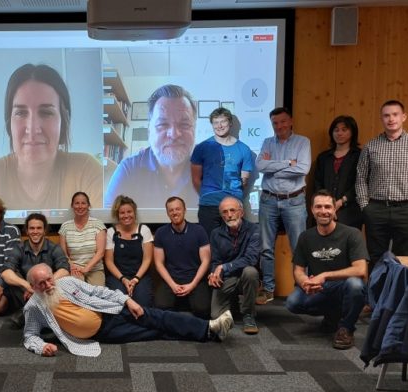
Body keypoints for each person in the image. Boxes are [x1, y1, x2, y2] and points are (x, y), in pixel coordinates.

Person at [22, 263, 234, 357]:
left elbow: (99, 292)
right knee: (155, 332)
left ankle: (210, 326)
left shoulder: (67, 282)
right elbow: (30, 335)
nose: (48, 286)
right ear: (32, 286)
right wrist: (41, 348)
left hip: (112, 310)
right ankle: (209, 333)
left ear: (53, 275)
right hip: (103, 333)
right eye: (40, 284)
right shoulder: (33, 307)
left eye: (48, 279)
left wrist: (126, 301)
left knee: (158, 316)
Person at [0, 63, 103, 209]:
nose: (33, 128)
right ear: (9, 121)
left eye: (46, 113)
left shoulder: (86, 170)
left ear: (64, 121)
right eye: (21, 113)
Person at [356, 100, 408, 267]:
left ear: (403, 117)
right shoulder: (370, 147)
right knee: (376, 257)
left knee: (404, 258)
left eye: (395, 114)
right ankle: (377, 293)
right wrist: (365, 206)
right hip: (376, 210)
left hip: (407, 210)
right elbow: (361, 178)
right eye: (386, 115)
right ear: (381, 119)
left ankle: (400, 294)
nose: (391, 119)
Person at [285, 190, 367, 350]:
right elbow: (298, 270)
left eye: (328, 207)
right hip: (319, 289)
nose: (323, 211)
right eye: (319, 207)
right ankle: (333, 316)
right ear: (312, 210)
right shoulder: (305, 237)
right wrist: (305, 282)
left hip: (344, 287)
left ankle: (346, 329)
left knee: (356, 285)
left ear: (334, 210)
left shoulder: (351, 234)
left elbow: (361, 270)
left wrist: (324, 275)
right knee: (292, 302)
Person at [105, 84, 198, 208]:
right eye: (163, 124)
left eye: (185, 124)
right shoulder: (128, 171)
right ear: (149, 132)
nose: (174, 134)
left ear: (194, 130)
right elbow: (109, 223)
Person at [256, 107, 311, 305]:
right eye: (275, 123)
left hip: (294, 200)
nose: (279, 126)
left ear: (291, 121)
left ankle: (301, 288)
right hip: (268, 200)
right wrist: (288, 163)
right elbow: (260, 166)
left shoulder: (302, 142)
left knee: (298, 247)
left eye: (282, 122)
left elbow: (303, 168)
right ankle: (268, 289)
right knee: (265, 247)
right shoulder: (267, 142)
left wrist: (274, 167)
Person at [191, 107, 254, 235]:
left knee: (234, 245)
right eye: (215, 122)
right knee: (209, 245)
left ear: (230, 123)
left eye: (223, 121)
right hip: (209, 205)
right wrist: (208, 194)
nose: (219, 126)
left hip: (234, 206)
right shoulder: (202, 148)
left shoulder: (244, 149)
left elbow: (244, 181)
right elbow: (196, 179)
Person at [0, 213, 70, 326]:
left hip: (46, 291)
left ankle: (27, 313)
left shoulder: (54, 248)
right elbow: (5, 272)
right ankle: (38, 314)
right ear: (27, 231)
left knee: (60, 282)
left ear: (44, 230)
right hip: (26, 291)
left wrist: (43, 284)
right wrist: (28, 286)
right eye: (32, 228)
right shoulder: (19, 248)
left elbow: (65, 269)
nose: (35, 231)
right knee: (13, 276)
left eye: (39, 228)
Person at [207, 196, 261, 334]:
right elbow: (216, 261)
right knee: (215, 316)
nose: (229, 215)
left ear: (241, 212)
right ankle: (233, 304)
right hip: (227, 278)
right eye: (224, 212)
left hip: (245, 276)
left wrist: (224, 267)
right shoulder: (216, 234)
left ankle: (249, 314)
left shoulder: (254, 229)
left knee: (251, 272)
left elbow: (251, 259)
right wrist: (214, 274)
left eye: (232, 210)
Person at [153, 196, 211, 319]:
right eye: (171, 210)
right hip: (171, 279)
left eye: (178, 209)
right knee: (160, 307)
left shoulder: (199, 231)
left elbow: (206, 261)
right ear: (167, 213)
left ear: (184, 210)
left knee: (202, 310)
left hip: (195, 278)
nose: (175, 213)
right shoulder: (160, 233)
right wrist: (173, 285)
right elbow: (158, 263)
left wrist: (193, 284)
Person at [104, 195, 154, 307]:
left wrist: (135, 279)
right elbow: (109, 261)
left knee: (143, 302)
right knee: (119, 302)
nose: (126, 215)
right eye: (122, 213)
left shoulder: (144, 230)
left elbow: (147, 259)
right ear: (117, 215)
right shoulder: (111, 232)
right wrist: (123, 279)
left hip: (140, 275)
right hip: (118, 276)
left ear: (134, 212)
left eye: (129, 212)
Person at [314, 115, 363, 229]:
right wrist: (327, 204)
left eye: (344, 130)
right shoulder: (323, 157)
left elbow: (361, 183)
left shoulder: (360, 156)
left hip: (350, 211)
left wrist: (341, 201)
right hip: (324, 210)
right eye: (336, 130)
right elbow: (318, 183)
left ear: (352, 132)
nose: (339, 133)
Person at [58, 192, 107, 286]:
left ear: (88, 205)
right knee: (77, 294)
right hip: (74, 269)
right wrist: (72, 266)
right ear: (72, 205)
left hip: (95, 269)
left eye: (83, 203)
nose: (80, 206)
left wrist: (86, 269)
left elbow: (100, 252)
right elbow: (63, 254)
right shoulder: (65, 226)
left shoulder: (98, 224)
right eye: (77, 203)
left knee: (98, 294)